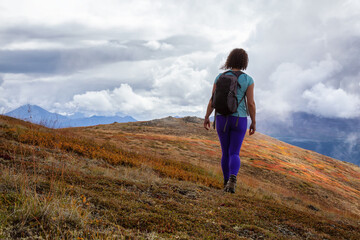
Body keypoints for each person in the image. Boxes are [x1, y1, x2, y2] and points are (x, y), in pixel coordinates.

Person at [203, 48, 256, 193]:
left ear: (229, 60)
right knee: (234, 153)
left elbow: (212, 100)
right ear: (244, 62)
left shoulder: (220, 77)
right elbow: (250, 103)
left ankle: (225, 182)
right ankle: (233, 179)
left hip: (221, 118)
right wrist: (253, 121)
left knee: (225, 152)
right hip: (239, 120)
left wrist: (207, 117)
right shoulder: (248, 80)